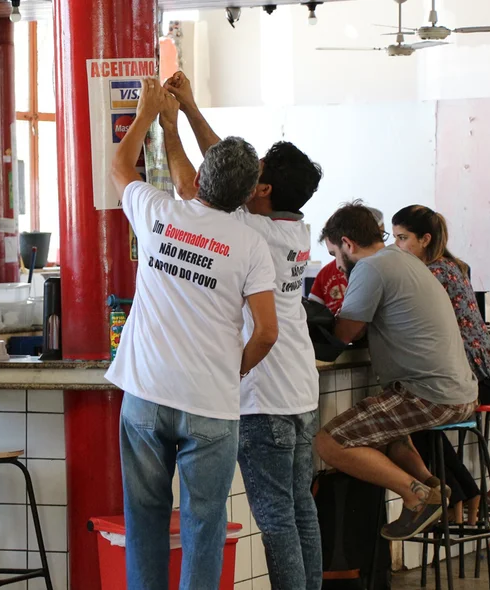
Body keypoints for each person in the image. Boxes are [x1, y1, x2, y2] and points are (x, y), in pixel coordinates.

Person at [106, 78, 279, 590]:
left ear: (201, 177)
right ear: (249, 195)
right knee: (204, 526)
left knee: (145, 520)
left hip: (145, 394)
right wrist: (236, 366)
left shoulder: (159, 211)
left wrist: (147, 116)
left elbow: (120, 168)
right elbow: (267, 332)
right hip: (211, 403)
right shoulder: (250, 245)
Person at [164, 70, 323, 589]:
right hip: (301, 392)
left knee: (276, 517)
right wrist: (189, 108)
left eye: (256, 176)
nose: (246, 181)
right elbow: (225, 171)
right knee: (301, 510)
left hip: (266, 396)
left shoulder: (251, 228)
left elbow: (204, 183)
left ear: (264, 189)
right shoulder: (293, 228)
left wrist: (175, 121)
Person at [314, 202, 478, 541]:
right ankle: (431, 487)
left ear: (347, 244)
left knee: (328, 443)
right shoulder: (402, 258)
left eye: (334, 254)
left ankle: (416, 496)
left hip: (428, 392)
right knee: (385, 437)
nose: (336, 264)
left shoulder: (371, 268)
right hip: (458, 390)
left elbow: (345, 334)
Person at [391, 204, 490, 524]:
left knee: (413, 417)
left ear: (425, 239)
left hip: (475, 375)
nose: (396, 246)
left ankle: (456, 497)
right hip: (489, 372)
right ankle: (464, 494)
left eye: (403, 238)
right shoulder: (451, 265)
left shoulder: (431, 272)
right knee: (420, 417)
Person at [308, 207, 384, 315]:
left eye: (335, 253)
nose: (337, 266)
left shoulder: (370, 273)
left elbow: (348, 330)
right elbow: (312, 311)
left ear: (348, 244)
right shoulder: (326, 273)